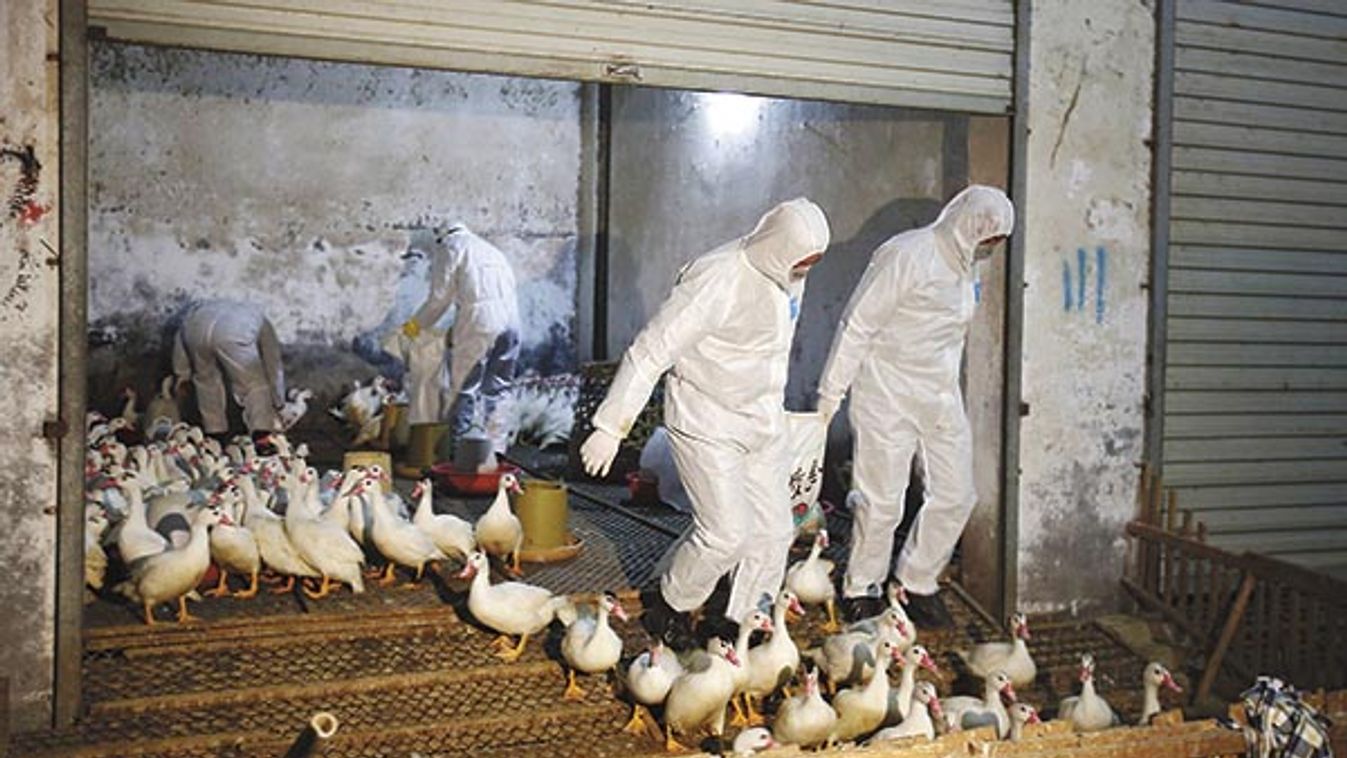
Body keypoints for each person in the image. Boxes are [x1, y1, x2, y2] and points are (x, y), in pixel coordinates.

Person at [579, 198, 831, 646]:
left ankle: (741, 620)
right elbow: (652, 349)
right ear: (778, 245)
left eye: (812, 263)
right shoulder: (718, 278)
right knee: (725, 534)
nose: (805, 271)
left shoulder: (788, 271)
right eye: (802, 261)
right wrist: (610, 427)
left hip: (762, 419)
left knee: (774, 531)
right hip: (707, 420)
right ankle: (670, 603)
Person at [816, 185, 1015, 629]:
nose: (991, 249)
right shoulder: (908, 254)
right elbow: (858, 323)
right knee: (881, 503)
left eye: (997, 243)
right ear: (967, 223)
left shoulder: (969, 266)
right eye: (988, 240)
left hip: (940, 394)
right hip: (886, 392)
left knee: (957, 493)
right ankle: (861, 589)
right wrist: (831, 394)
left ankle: (916, 581)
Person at [400, 224, 521, 456]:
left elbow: (438, 300)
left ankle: (459, 453)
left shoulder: (450, 247)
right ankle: (496, 450)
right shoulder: (491, 250)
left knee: (464, 389)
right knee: (499, 388)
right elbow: (486, 296)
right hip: (512, 324)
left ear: (439, 238)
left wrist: (413, 328)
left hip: (480, 325)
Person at [172, 300, 286, 450]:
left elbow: (180, 343)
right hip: (234, 334)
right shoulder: (261, 320)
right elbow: (273, 362)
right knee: (254, 384)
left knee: (205, 381)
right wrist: (279, 401)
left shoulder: (195, 313)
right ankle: (261, 437)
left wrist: (182, 375)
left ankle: (215, 436)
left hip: (196, 330)